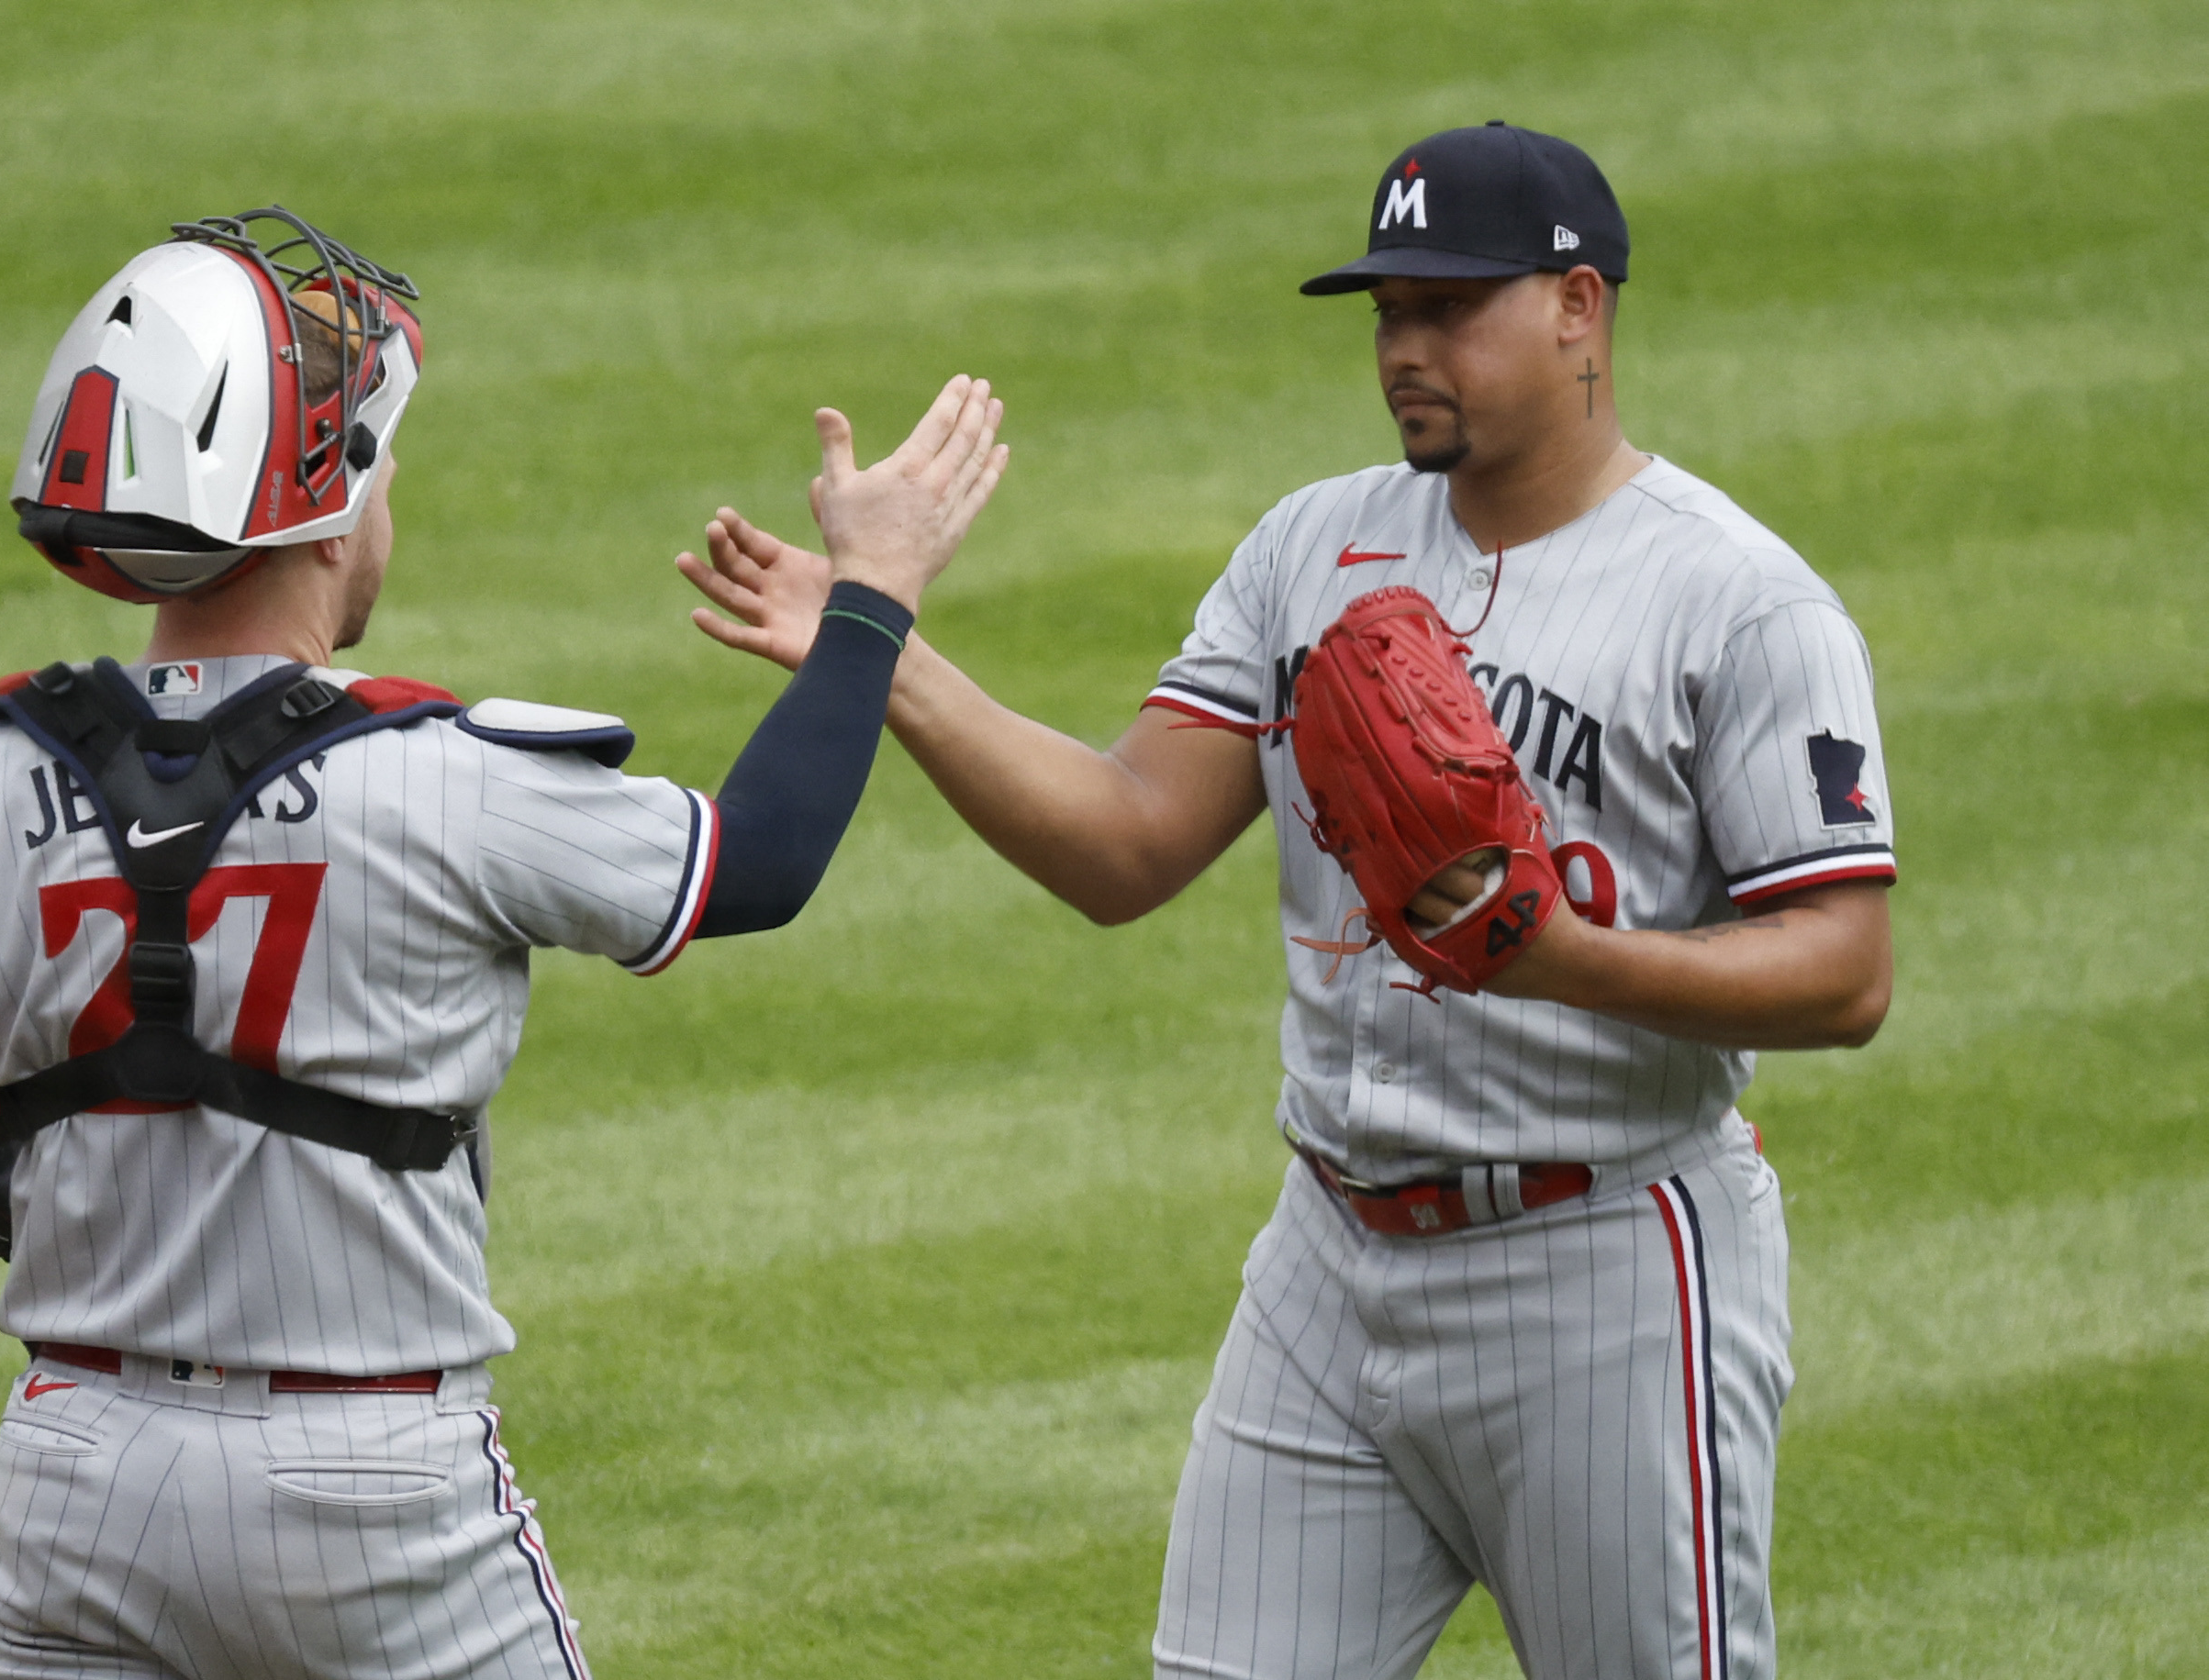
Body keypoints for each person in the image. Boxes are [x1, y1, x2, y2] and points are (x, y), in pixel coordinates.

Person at [677, 124, 1896, 1679]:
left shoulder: (1739, 603)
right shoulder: (1308, 546)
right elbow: (1124, 843)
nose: (1404, 348)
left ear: (1579, 308)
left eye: (1450, 308)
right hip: (1328, 1262)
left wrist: (1566, 960)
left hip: (1600, 1272)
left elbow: (1843, 971)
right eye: (1387, 311)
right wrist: (878, 645)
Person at [0, 206, 1006, 1680]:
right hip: (367, 1489)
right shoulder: (441, 777)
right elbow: (754, 865)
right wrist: (872, 596)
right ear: (327, 499)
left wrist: (14, 1108)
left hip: (76, 1481)